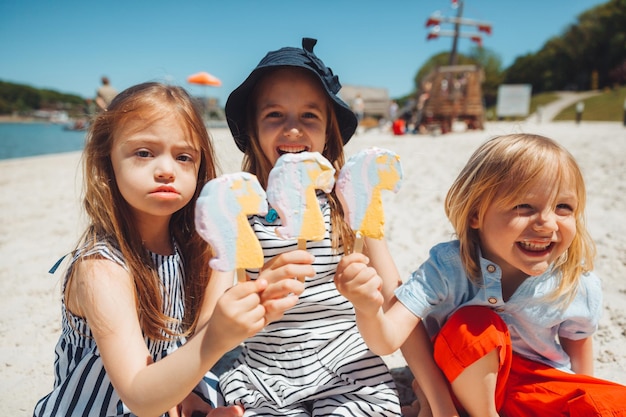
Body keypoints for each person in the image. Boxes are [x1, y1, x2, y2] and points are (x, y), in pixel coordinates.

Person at [34, 82, 304, 417]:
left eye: (183, 157)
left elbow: (192, 344)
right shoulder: (101, 269)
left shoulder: (196, 250)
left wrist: (255, 304)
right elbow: (139, 396)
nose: (166, 170)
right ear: (107, 163)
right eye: (144, 153)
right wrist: (217, 337)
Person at [336, 134, 626, 416]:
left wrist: (585, 397)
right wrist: (367, 308)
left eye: (564, 207)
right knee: (474, 326)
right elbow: (387, 341)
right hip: (460, 380)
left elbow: (579, 349)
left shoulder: (574, 281)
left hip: (535, 386)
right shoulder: (448, 268)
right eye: (524, 206)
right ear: (475, 215)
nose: (547, 223)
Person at [220, 37, 402, 416]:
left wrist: (368, 296)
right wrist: (255, 291)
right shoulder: (236, 209)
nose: (293, 129)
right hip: (263, 374)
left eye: (309, 116)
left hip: (348, 369)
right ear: (252, 130)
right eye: (274, 115)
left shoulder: (349, 203)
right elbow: (216, 314)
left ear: (327, 132)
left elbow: (392, 296)